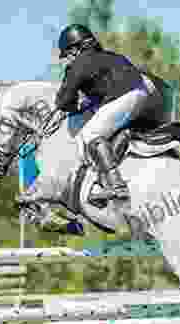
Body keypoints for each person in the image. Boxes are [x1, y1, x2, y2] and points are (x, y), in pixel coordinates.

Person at [54, 24, 168, 204]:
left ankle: (116, 185)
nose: (66, 60)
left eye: (67, 54)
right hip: (144, 96)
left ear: (75, 49)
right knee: (106, 130)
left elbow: (62, 102)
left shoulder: (78, 64)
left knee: (89, 134)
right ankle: (120, 149)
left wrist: (76, 107)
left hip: (124, 98)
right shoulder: (112, 56)